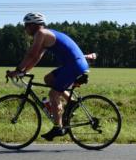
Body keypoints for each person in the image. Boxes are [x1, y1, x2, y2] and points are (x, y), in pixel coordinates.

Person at [6, 12, 91, 141]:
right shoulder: (45, 34)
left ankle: (58, 127)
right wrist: (24, 71)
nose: (25, 28)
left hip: (74, 65)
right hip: (74, 64)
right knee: (48, 79)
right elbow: (37, 57)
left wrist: (17, 70)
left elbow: (31, 54)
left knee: (53, 94)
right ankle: (71, 101)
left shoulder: (41, 34)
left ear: (34, 25)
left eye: (26, 25)